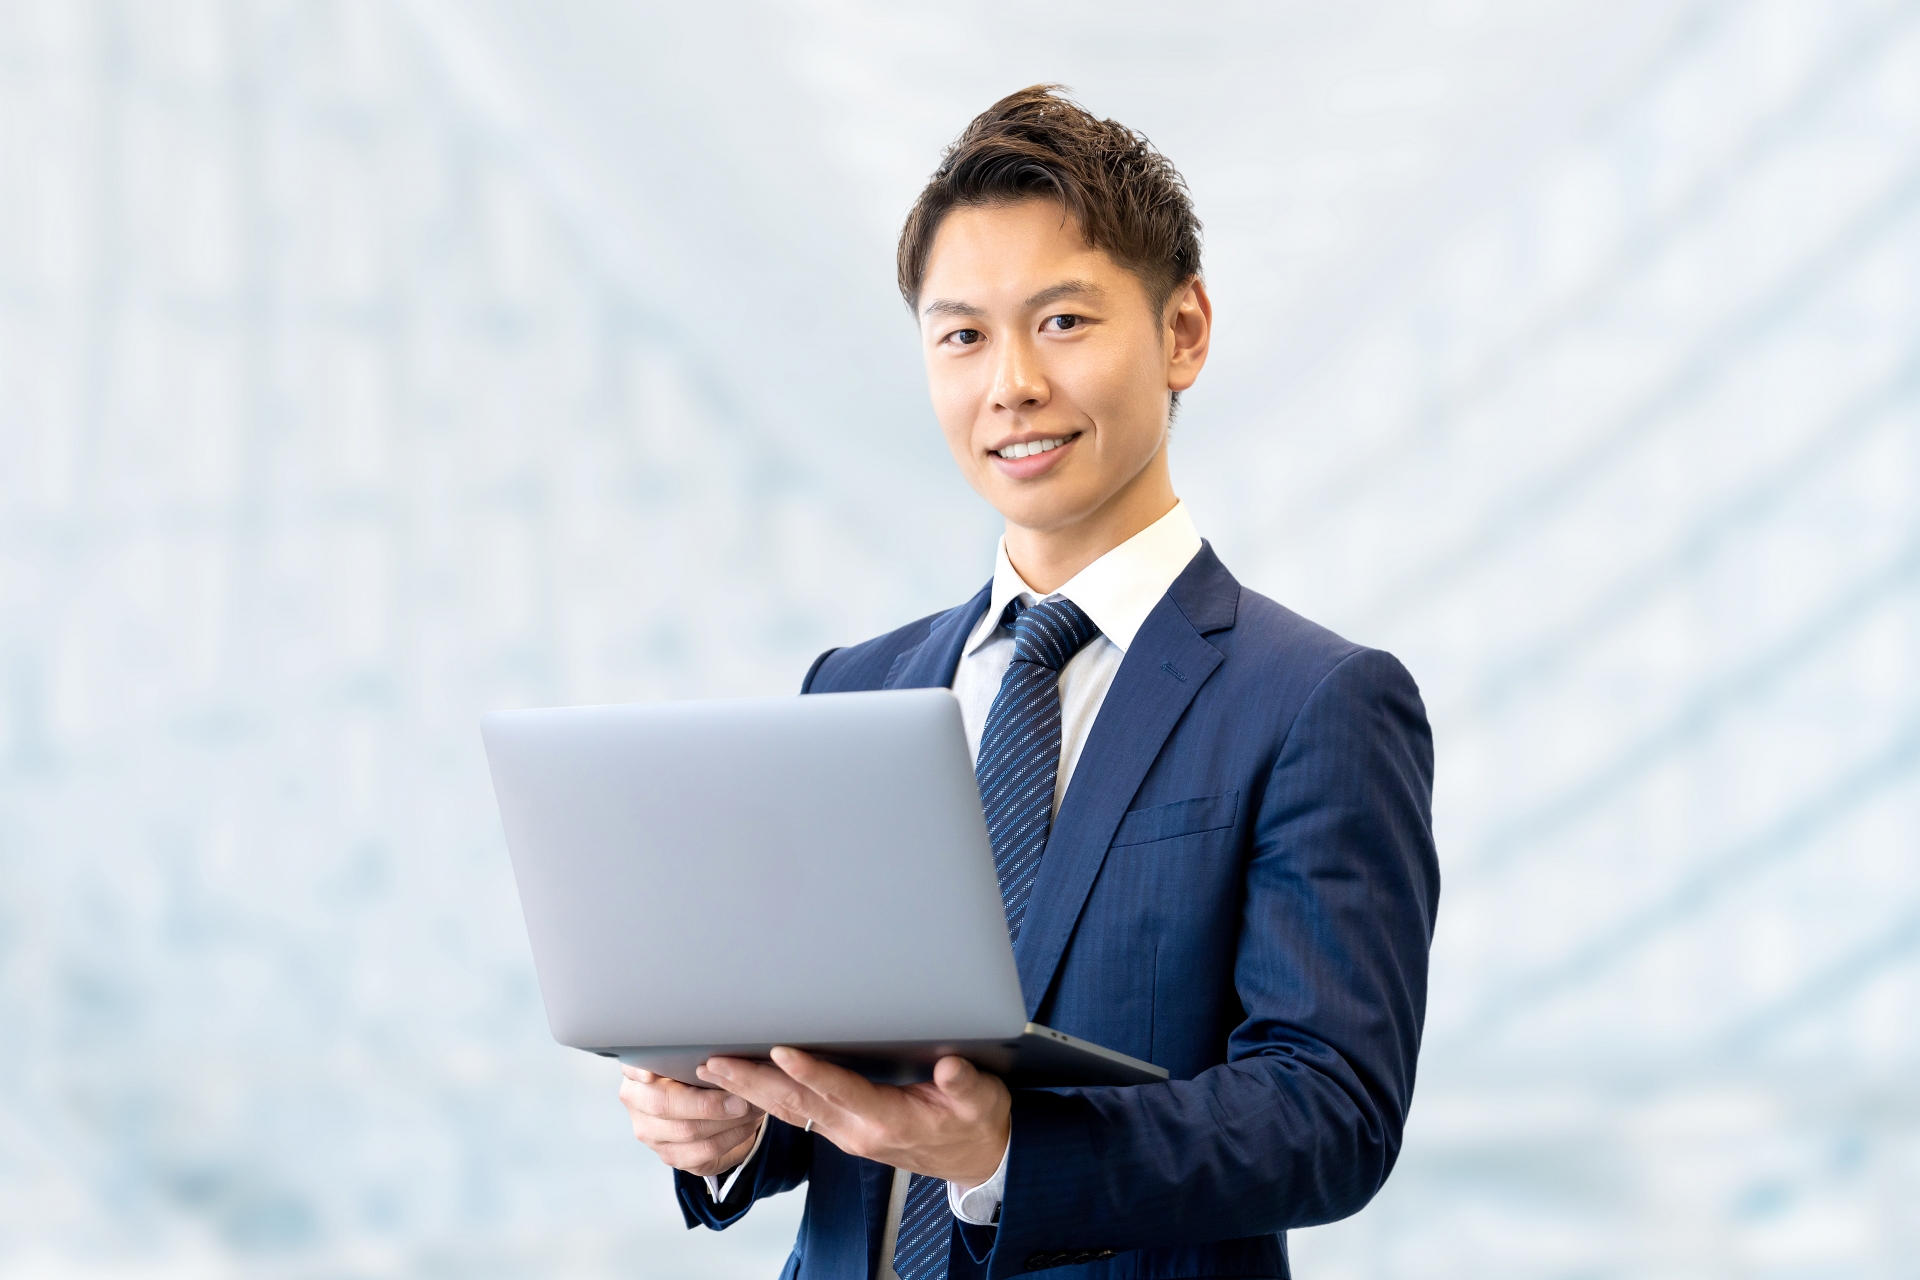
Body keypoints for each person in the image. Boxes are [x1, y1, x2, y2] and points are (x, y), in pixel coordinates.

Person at [616, 85, 1439, 1280]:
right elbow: (851, 1072)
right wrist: (738, 1124)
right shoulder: (857, 689)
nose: (1010, 384)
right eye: (962, 335)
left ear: (1184, 332)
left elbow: (1331, 1112)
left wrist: (1009, 1147)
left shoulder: (1315, 702)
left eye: (1062, 322)